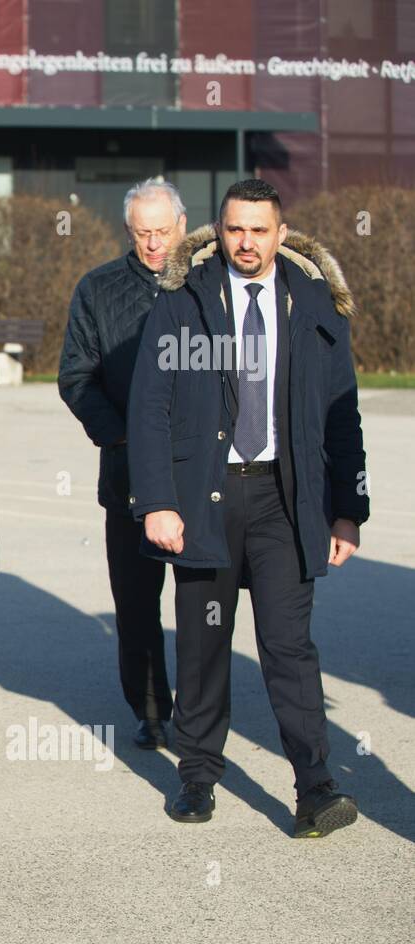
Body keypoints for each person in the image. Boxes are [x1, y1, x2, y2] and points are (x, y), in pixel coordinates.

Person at [127, 178, 369, 837]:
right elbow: (149, 406)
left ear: (281, 235)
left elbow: (341, 414)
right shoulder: (186, 303)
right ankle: (198, 775)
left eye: (259, 230)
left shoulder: (313, 303)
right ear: (218, 229)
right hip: (206, 495)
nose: (246, 242)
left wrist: (348, 507)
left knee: (290, 647)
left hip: (285, 500)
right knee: (204, 643)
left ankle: (315, 786)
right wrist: (156, 501)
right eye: (235, 228)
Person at [58, 177, 187, 750]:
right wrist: (121, 438)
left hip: (202, 475)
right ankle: (152, 709)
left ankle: (203, 712)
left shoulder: (209, 281)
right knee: (136, 603)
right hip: (128, 477)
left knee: (204, 601)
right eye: (142, 233)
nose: (154, 244)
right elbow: (76, 376)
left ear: (183, 226)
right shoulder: (99, 288)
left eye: (162, 231)